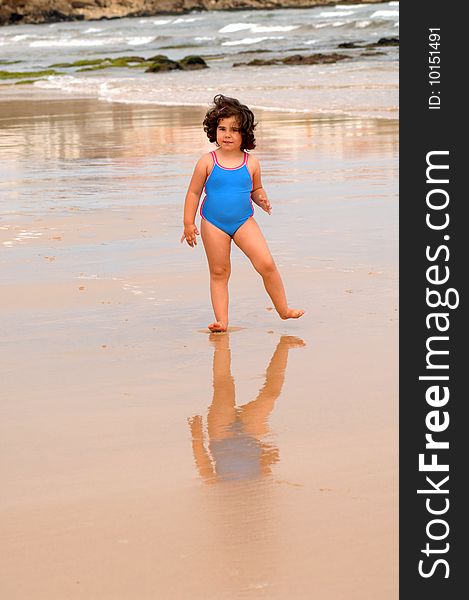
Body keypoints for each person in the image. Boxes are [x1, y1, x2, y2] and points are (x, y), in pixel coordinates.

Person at [181, 94, 304, 333]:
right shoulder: (207, 161)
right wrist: (188, 223)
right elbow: (193, 193)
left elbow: (255, 189)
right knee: (219, 272)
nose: (227, 134)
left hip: (243, 221)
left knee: (266, 264)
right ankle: (222, 321)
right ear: (213, 130)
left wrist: (262, 200)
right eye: (222, 128)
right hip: (213, 223)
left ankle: (283, 309)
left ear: (244, 134)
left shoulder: (251, 163)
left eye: (234, 130)